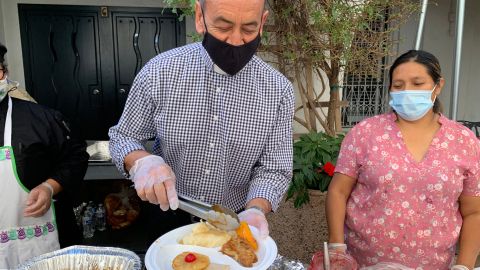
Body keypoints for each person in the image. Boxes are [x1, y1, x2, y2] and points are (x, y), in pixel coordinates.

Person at [109, 0, 294, 238]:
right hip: (168, 212)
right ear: (199, 17)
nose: (236, 40)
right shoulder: (159, 72)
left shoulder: (278, 90)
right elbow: (124, 136)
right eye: (224, 27)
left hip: (235, 220)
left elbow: (274, 169)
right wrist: (141, 161)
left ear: (262, 23)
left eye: (248, 29)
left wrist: (256, 209)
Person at [326, 50, 480, 270]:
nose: (407, 92)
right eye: (398, 85)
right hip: (365, 263)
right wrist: (336, 247)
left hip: (434, 265)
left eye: (417, 83)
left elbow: (474, 211)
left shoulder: (463, 141)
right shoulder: (365, 133)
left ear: (438, 86)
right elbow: (338, 192)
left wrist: (463, 265)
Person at [0, 43, 89, 268]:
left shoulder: (41, 119)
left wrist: (50, 186)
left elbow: (76, 156)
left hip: (40, 243)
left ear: (3, 74)